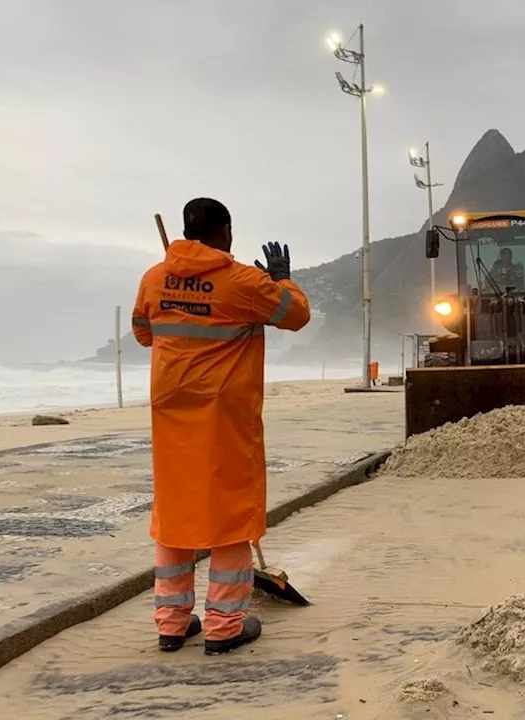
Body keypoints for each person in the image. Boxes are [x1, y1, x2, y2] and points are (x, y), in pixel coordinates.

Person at [132, 198, 312, 656]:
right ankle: (223, 626)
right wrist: (280, 277)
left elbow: (143, 331)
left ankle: (172, 625)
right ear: (226, 231)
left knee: (175, 518)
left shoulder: (154, 278)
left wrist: (185, 309)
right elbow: (296, 314)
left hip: (172, 418)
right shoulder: (244, 283)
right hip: (225, 420)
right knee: (230, 517)